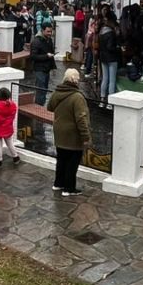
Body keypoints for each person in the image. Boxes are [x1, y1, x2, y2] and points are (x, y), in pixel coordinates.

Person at [48, 68, 91, 196]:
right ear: (76, 80)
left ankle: (58, 184)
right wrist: (86, 137)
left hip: (59, 131)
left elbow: (49, 107)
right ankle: (69, 188)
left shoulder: (57, 92)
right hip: (73, 135)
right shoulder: (77, 97)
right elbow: (81, 119)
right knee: (73, 162)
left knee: (61, 159)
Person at [30, 24, 56, 105]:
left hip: (46, 68)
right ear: (43, 30)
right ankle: (39, 108)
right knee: (40, 90)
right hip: (39, 69)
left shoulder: (48, 40)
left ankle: (41, 106)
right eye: (48, 31)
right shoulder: (36, 41)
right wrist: (46, 56)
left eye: (51, 31)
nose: (49, 33)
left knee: (44, 89)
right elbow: (33, 56)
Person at [98, 13, 121, 101]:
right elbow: (110, 47)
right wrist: (118, 49)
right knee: (112, 80)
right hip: (111, 58)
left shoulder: (101, 31)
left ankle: (102, 98)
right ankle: (111, 100)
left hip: (103, 58)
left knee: (105, 78)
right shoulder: (111, 34)